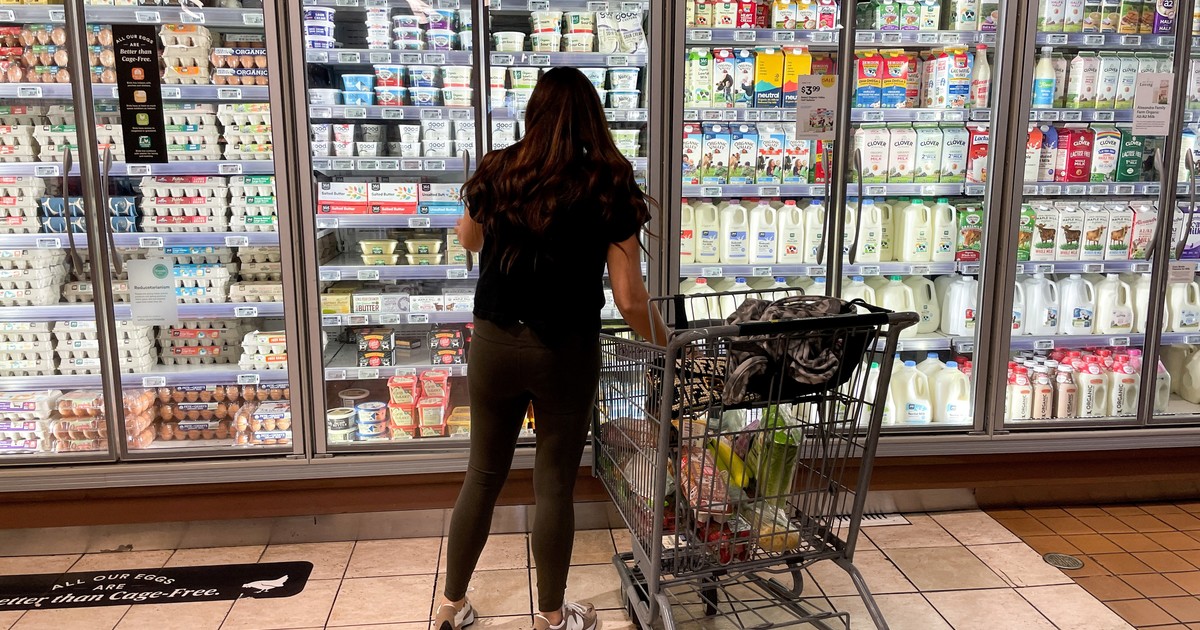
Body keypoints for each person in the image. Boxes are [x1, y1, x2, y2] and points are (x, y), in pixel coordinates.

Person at [436, 67, 668, 630]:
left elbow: (468, 239)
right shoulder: (609, 181)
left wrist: (493, 209)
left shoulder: (498, 167)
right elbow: (630, 299)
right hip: (564, 348)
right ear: (593, 118)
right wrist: (668, 343)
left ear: (533, 113)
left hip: (494, 342)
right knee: (555, 486)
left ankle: (452, 607)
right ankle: (551, 617)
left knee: (482, 475)